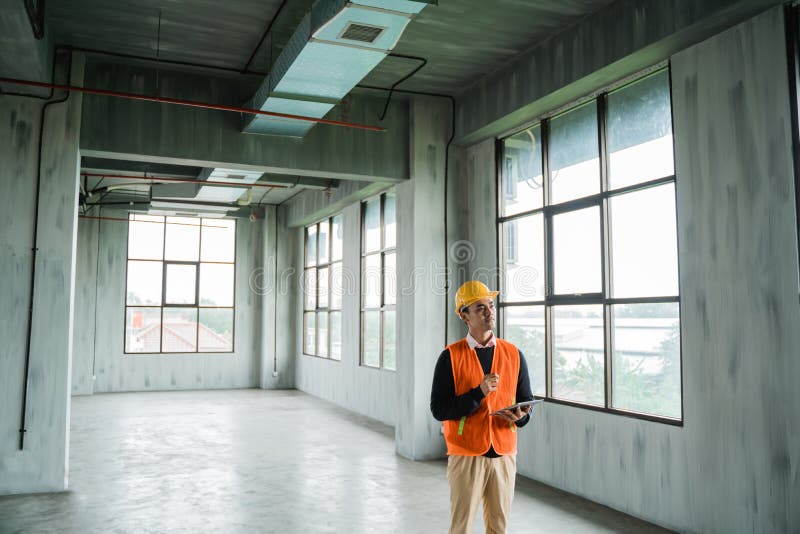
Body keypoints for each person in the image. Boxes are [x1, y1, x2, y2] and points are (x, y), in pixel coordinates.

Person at [430, 280, 534, 534]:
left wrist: (520, 417)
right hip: (466, 455)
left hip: (504, 454)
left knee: (499, 527)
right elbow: (439, 409)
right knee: (461, 527)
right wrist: (478, 393)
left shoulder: (514, 354)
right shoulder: (450, 357)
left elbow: (527, 402)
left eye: (491, 306)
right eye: (480, 308)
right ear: (464, 315)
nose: (489, 312)